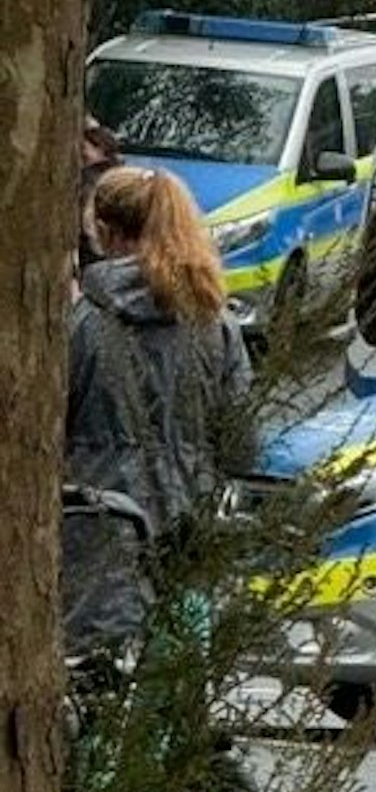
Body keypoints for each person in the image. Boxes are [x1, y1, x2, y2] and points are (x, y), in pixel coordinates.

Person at [64, 166, 252, 647]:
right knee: (174, 688)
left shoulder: (83, 323)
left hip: (98, 532)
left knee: (95, 687)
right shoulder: (214, 324)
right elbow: (241, 442)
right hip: (189, 531)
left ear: (103, 231)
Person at [79, 115, 122, 269]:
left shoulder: (91, 177)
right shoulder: (121, 174)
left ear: (100, 149)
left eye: (84, 150)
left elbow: (86, 215)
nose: (81, 155)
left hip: (93, 246)